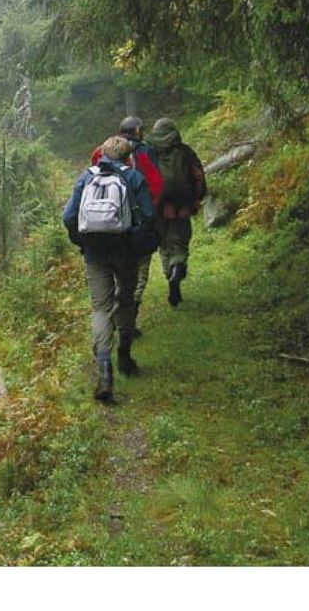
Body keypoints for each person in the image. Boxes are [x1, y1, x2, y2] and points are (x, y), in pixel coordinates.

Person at [62, 135, 158, 403]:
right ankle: (125, 357)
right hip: (125, 252)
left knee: (100, 307)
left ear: (102, 154)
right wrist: (136, 241)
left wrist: (81, 242)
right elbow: (149, 216)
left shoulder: (86, 177)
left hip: (94, 252)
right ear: (129, 157)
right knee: (125, 300)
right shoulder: (134, 179)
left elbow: (69, 217)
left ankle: (105, 372)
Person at [91, 116, 162, 337]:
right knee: (133, 283)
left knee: (103, 296)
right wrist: (146, 225)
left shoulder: (98, 154)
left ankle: (105, 344)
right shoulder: (141, 153)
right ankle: (126, 330)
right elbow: (156, 186)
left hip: (98, 237)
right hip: (130, 234)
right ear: (137, 130)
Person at [147, 116, 207, 307]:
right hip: (183, 204)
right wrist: (196, 199)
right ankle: (178, 267)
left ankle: (170, 274)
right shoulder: (185, 151)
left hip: (161, 206)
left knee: (164, 244)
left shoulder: (150, 152)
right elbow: (198, 175)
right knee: (180, 241)